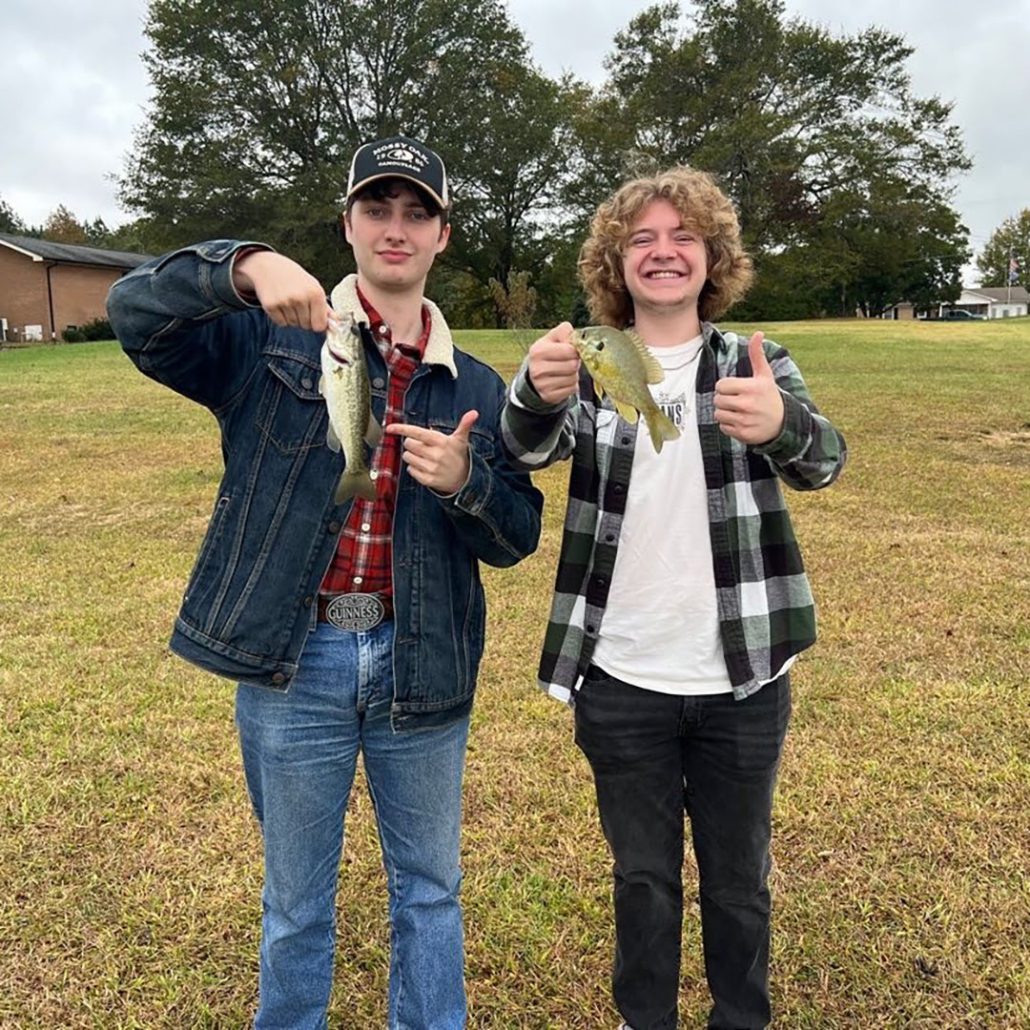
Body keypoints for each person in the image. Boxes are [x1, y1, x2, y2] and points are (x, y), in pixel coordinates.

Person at [107, 135, 543, 1029]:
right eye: (377, 209)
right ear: (347, 225)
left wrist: (468, 483)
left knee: (429, 892)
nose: (396, 228)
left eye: (416, 212)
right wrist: (243, 265)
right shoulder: (269, 340)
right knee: (295, 904)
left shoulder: (478, 384)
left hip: (421, 662)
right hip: (295, 662)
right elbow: (134, 314)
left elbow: (519, 535)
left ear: (443, 236)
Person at [500, 166, 846, 1030]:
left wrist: (783, 424)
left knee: (739, 881)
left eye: (682, 237)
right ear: (615, 263)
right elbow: (527, 450)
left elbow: (826, 463)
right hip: (620, 677)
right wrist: (531, 395)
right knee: (643, 879)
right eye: (642, 240)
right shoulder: (588, 358)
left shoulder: (754, 362)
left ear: (712, 256)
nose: (663, 253)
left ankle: (742, 1018)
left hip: (744, 678)